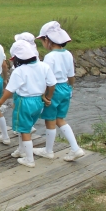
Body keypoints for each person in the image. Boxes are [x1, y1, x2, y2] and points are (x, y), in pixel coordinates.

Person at [0, 40, 57, 168]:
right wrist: (48, 96)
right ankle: (21, 150)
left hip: (24, 102)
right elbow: (52, 83)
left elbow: (9, 90)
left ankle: (29, 159)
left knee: (25, 130)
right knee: (26, 127)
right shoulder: (44, 66)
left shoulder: (19, 71)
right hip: (38, 101)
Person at [34, 21, 85, 162]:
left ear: (48, 40)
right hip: (65, 88)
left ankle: (48, 150)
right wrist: (70, 88)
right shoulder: (68, 54)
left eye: (42, 41)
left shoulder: (50, 57)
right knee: (60, 119)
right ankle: (75, 148)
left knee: (50, 120)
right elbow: (71, 76)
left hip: (53, 90)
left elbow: (47, 78)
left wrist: (46, 95)